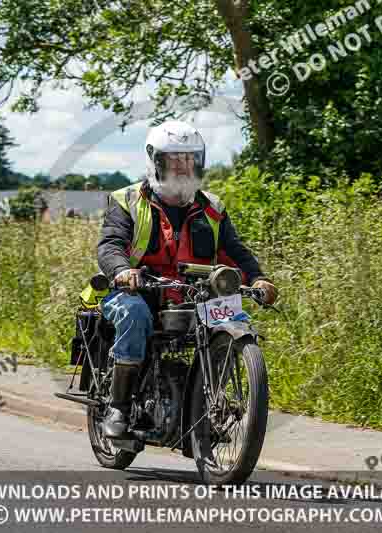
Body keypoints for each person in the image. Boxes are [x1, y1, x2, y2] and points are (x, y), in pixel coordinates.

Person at [96, 120, 278, 438]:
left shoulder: (212, 207)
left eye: (190, 158)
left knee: (235, 316)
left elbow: (234, 251)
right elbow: (111, 244)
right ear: (156, 161)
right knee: (135, 315)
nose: (183, 166)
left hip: (194, 293)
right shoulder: (126, 200)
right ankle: (119, 406)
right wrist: (123, 271)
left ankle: (210, 405)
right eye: (174, 159)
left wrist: (258, 279)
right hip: (139, 289)